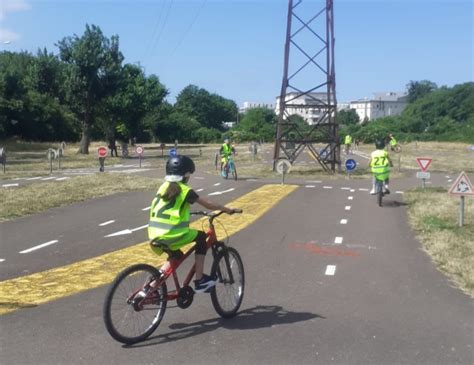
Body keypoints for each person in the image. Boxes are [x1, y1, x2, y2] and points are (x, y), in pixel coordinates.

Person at [147, 155, 237, 293]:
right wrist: (226, 209)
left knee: (175, 255)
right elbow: (208, 204)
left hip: (154, 234)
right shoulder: (184, 190)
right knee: (201, 238)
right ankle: (200, 280)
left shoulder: (163, 187)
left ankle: (150, 288)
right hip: (172, 234)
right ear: (187, 174)